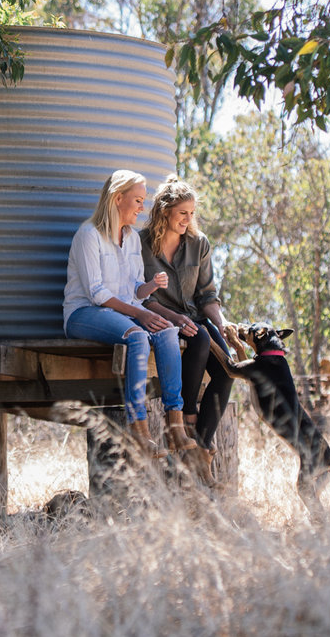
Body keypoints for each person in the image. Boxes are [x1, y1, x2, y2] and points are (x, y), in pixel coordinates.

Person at [62, 169, 197, 461]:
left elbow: (134, 288)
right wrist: (140, 314)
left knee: (167, 332)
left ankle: (175, 424)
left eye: (143, 200)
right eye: (137, 200)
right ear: (117, 198)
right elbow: (97, 293)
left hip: (121, 311)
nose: (142, 207)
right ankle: (140, 430)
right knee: (138, 337)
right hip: (85, 313)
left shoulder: (132, 238)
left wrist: (150, 286)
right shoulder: (89, 235)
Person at [139, 175, 237, 483]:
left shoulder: (199, 244)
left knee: (228, 367)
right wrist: (176, 318)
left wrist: (223, 324)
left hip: (195, 318)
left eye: (192, 213)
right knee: (200, 338)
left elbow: (207, 295)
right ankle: (184, 419)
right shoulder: (141, 244)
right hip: (161, 317)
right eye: (183, 213)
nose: (188, 219)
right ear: (164, 211)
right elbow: (141, 296)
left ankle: (202, 447)